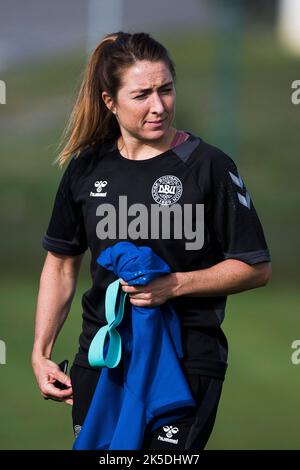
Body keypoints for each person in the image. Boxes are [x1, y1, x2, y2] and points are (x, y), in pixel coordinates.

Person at [32, 31, 272, 450]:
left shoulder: (208, 166)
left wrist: (174, 285)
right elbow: (61, 264)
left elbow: (254, 266)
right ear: (110, 102)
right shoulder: (86, 168)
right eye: (142, 94)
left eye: (166, 89)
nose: (158, 106)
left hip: (185, 362)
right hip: (103, 358)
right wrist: (41, 352)